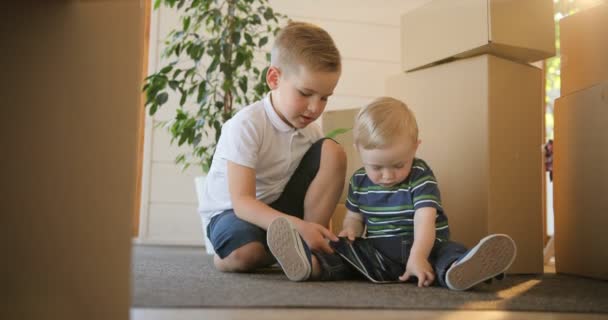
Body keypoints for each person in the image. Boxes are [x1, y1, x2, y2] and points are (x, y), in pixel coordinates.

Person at [267, 97, 517, 291]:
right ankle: (310, 265)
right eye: (376, 167)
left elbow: (425, 221)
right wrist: (350, 230)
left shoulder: (420, 174)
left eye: (398, 165)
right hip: (380, 251)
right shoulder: (360, 181)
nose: (388, 176)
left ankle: (459, 271)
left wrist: (418, 256)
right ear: (359, 150)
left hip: (426, 246)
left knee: (448, 252)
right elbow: (355, 217)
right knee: (340, 249)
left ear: (415, 148)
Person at [198, 21, 346, 278]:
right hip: (235, 213)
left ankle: (309, 246)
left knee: (333, 152)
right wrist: (298, 226)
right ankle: (226, 257)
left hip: (280, 210)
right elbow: (243, 203)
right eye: (305, 93)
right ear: (274, 78)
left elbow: (317, 189)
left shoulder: (311, 132)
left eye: (324, 97)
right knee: (246, 255)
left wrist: (311, 227)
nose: (315, 107)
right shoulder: (247, 125)